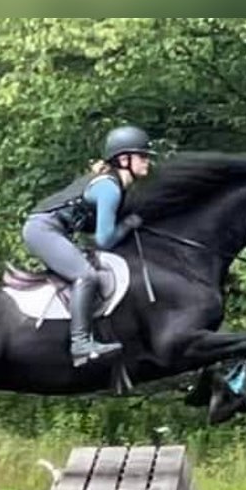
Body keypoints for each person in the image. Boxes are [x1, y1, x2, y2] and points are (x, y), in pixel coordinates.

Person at [21, 125, 153, 366]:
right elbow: (104, 240)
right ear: (124, 159)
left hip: (50, 229)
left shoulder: (114, 186)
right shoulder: (109, 188)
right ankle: (80, 343)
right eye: (142, 156)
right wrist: (128, 225)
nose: (148, 162)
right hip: (43, 230)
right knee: (86, 276)